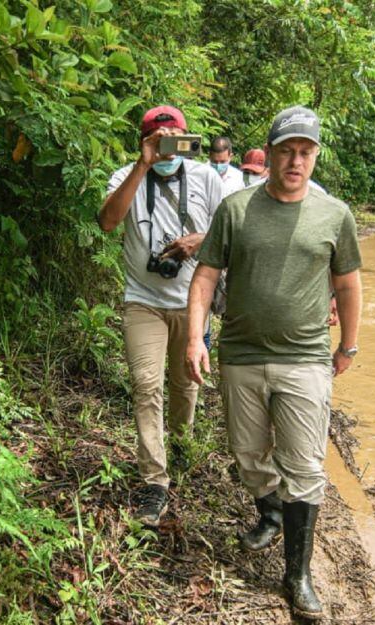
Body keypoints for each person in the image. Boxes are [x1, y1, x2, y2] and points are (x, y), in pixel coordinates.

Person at [184, 106, 362, 619]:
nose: (296, 161)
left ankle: (298, 576)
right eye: (287, 150)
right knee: (249, 457)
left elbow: (348, 283)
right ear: (271, 153)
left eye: (306, 152)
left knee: (305, 465)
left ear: (316, 156)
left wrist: (347, 345)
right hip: (240, 354)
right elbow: (205, 278)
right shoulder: (236, 210)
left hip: (305, 358)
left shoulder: (336, 215)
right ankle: (271, 510)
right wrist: (197, 339)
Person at [98, 105, 224, 527]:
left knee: (185, 385)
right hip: (143, 299)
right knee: (146, 384)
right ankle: (154, 479)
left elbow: (229, 233)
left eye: (176, 140)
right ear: (145, 139)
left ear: (188, 139)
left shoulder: (206, 177)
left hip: (193, 302)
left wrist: (199, 240)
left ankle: (182, 444)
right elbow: (108, 222)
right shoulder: (126, 175)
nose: (169, 149)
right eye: (159, 139)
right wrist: (142, 164)